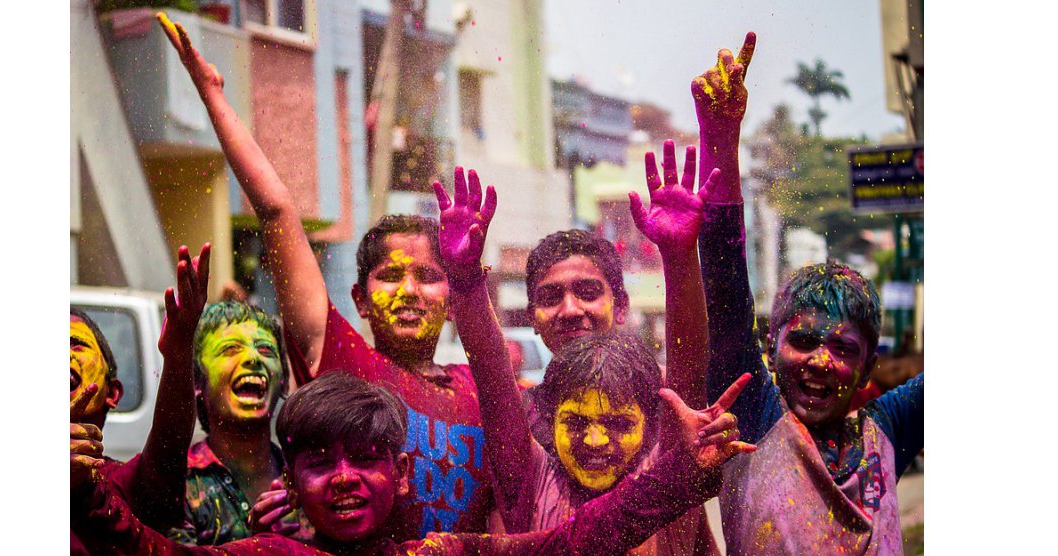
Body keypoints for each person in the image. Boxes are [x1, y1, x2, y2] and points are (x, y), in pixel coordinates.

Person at [157, 12, 493, 539]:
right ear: (359, 299)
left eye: (428, 276)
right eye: (389, 277)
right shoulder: (343, 364)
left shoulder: (484, 389)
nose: (408, 291)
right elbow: (276, 213)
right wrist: (213, 96)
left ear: (452, 294)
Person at [71, 372, 754, 555]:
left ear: (401, 474)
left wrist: (679, 477)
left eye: (366, 459)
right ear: (292, 477)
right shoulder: (265, 555)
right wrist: (81, 493)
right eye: (318, 462)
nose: (343, 477)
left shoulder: (444, 553)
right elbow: (146, 550)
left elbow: (571, 543)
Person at [689, 34, 924, 554]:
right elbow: (726, 291)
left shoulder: (886, 432)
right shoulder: (755, 419)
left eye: (843, 349)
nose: (820, 361)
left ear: (867, 369)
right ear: (772, 346)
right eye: (804, 341)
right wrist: (720, 140)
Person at [433, 163, 738, 556]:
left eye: (618, 423)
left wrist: (680, 258)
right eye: (574, 423)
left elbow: (689, 368)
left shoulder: (669, 445)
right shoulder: (530, 470)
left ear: (622, 305)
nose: (571, 310)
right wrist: (464, 280)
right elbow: (492, 379)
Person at [70, 244, 211, 553]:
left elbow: (167, 454)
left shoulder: (118, 484)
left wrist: (179, 350)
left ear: (113, 393)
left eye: (75, 343)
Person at [165, 301, 313, 545]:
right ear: (197, 382)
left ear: (284, 383)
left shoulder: (308, 478)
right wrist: (259, 548)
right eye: (230, 349)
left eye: (266, 350)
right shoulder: (178, 484)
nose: (253, 357)